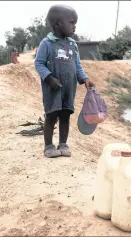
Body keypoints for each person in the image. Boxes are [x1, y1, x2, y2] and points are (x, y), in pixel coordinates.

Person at [34, 4, 95, 158]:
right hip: (52, 88)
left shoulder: (72, 44)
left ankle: (63, 144)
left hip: (69, 88)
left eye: (75, 23)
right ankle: (48, 146)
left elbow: (77, 65)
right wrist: (49, 78)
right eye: (72, 22)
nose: (74, 27)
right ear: (57, 24)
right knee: (51, 116)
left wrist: (84, 78)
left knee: (65, 115)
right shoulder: (47, 43)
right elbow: (39, 63)